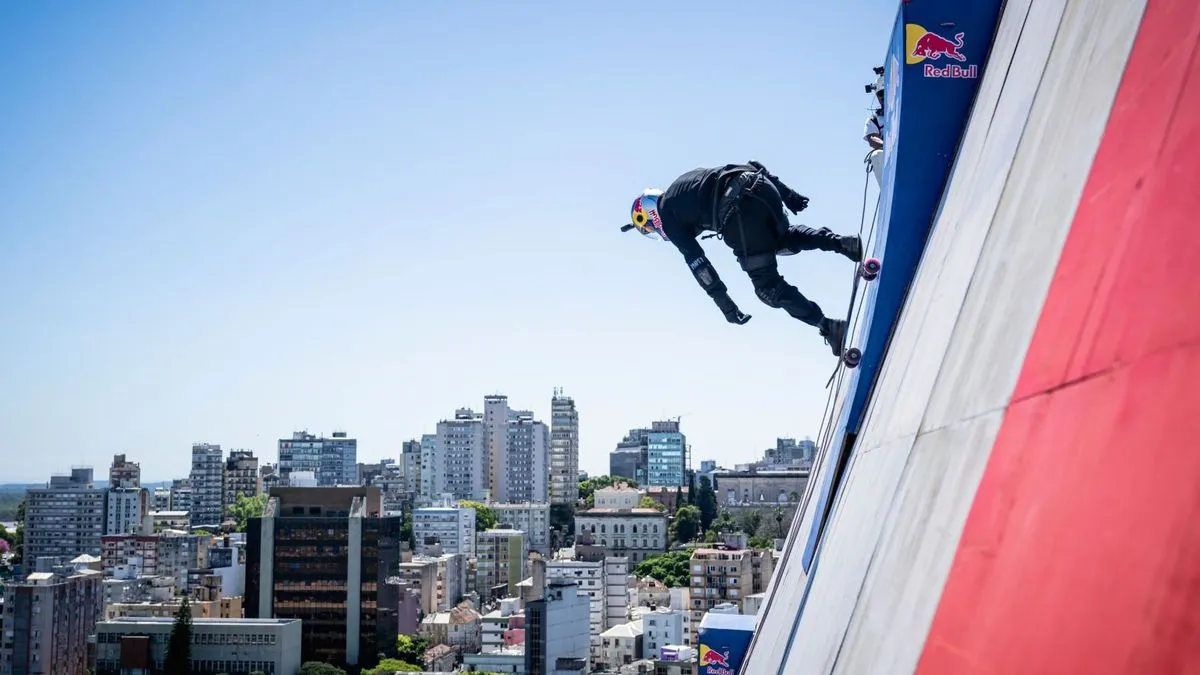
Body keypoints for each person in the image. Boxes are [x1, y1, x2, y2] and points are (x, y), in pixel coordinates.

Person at [620, 161, 863, 356]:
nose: (655, 231)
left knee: (767, 288)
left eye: (649, 228)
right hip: (760, 185)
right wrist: (788, 194)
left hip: (737, 211)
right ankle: (843, 243)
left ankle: (829, 327)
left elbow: (699, 265)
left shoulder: (668, 215)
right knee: (781, 240)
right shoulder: (685, 182)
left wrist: (726, 307)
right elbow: (750, 165)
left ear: (649, 214)